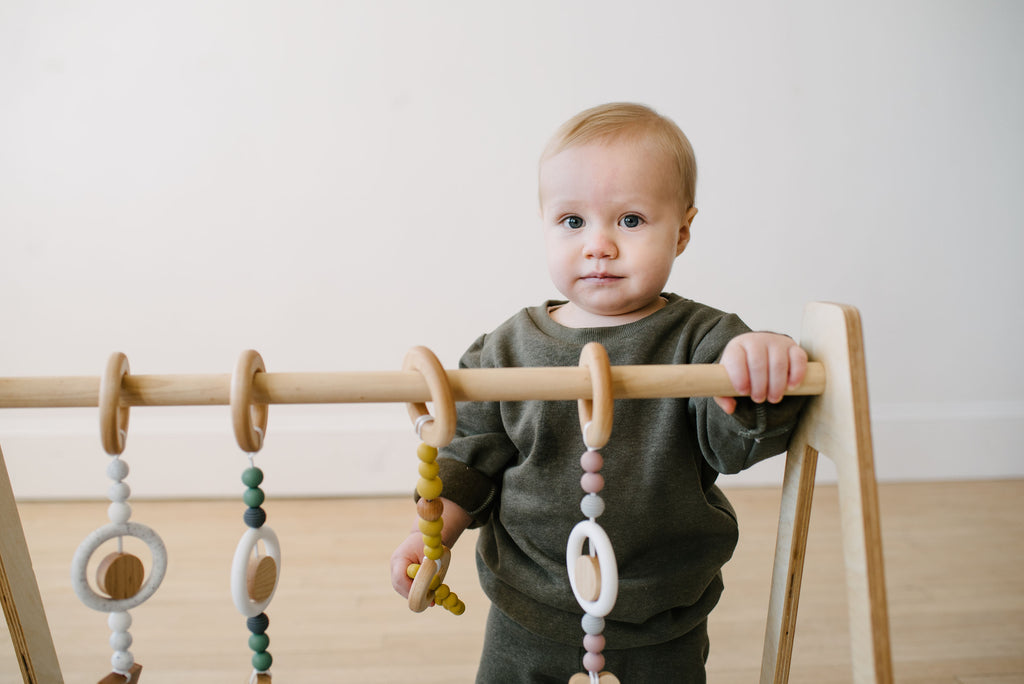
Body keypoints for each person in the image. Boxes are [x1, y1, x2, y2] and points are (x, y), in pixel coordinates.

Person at [390, 102, 808, 683]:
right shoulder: (506, 349)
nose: (599, 245)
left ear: (682, 231)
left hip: (661, 610)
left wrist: (763, 365)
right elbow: (468, 457)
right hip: (529, 608)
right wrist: (432, 535)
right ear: (543, 224)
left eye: (631, 220)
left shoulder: (706, 341)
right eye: (572, 222)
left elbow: (735, 444)